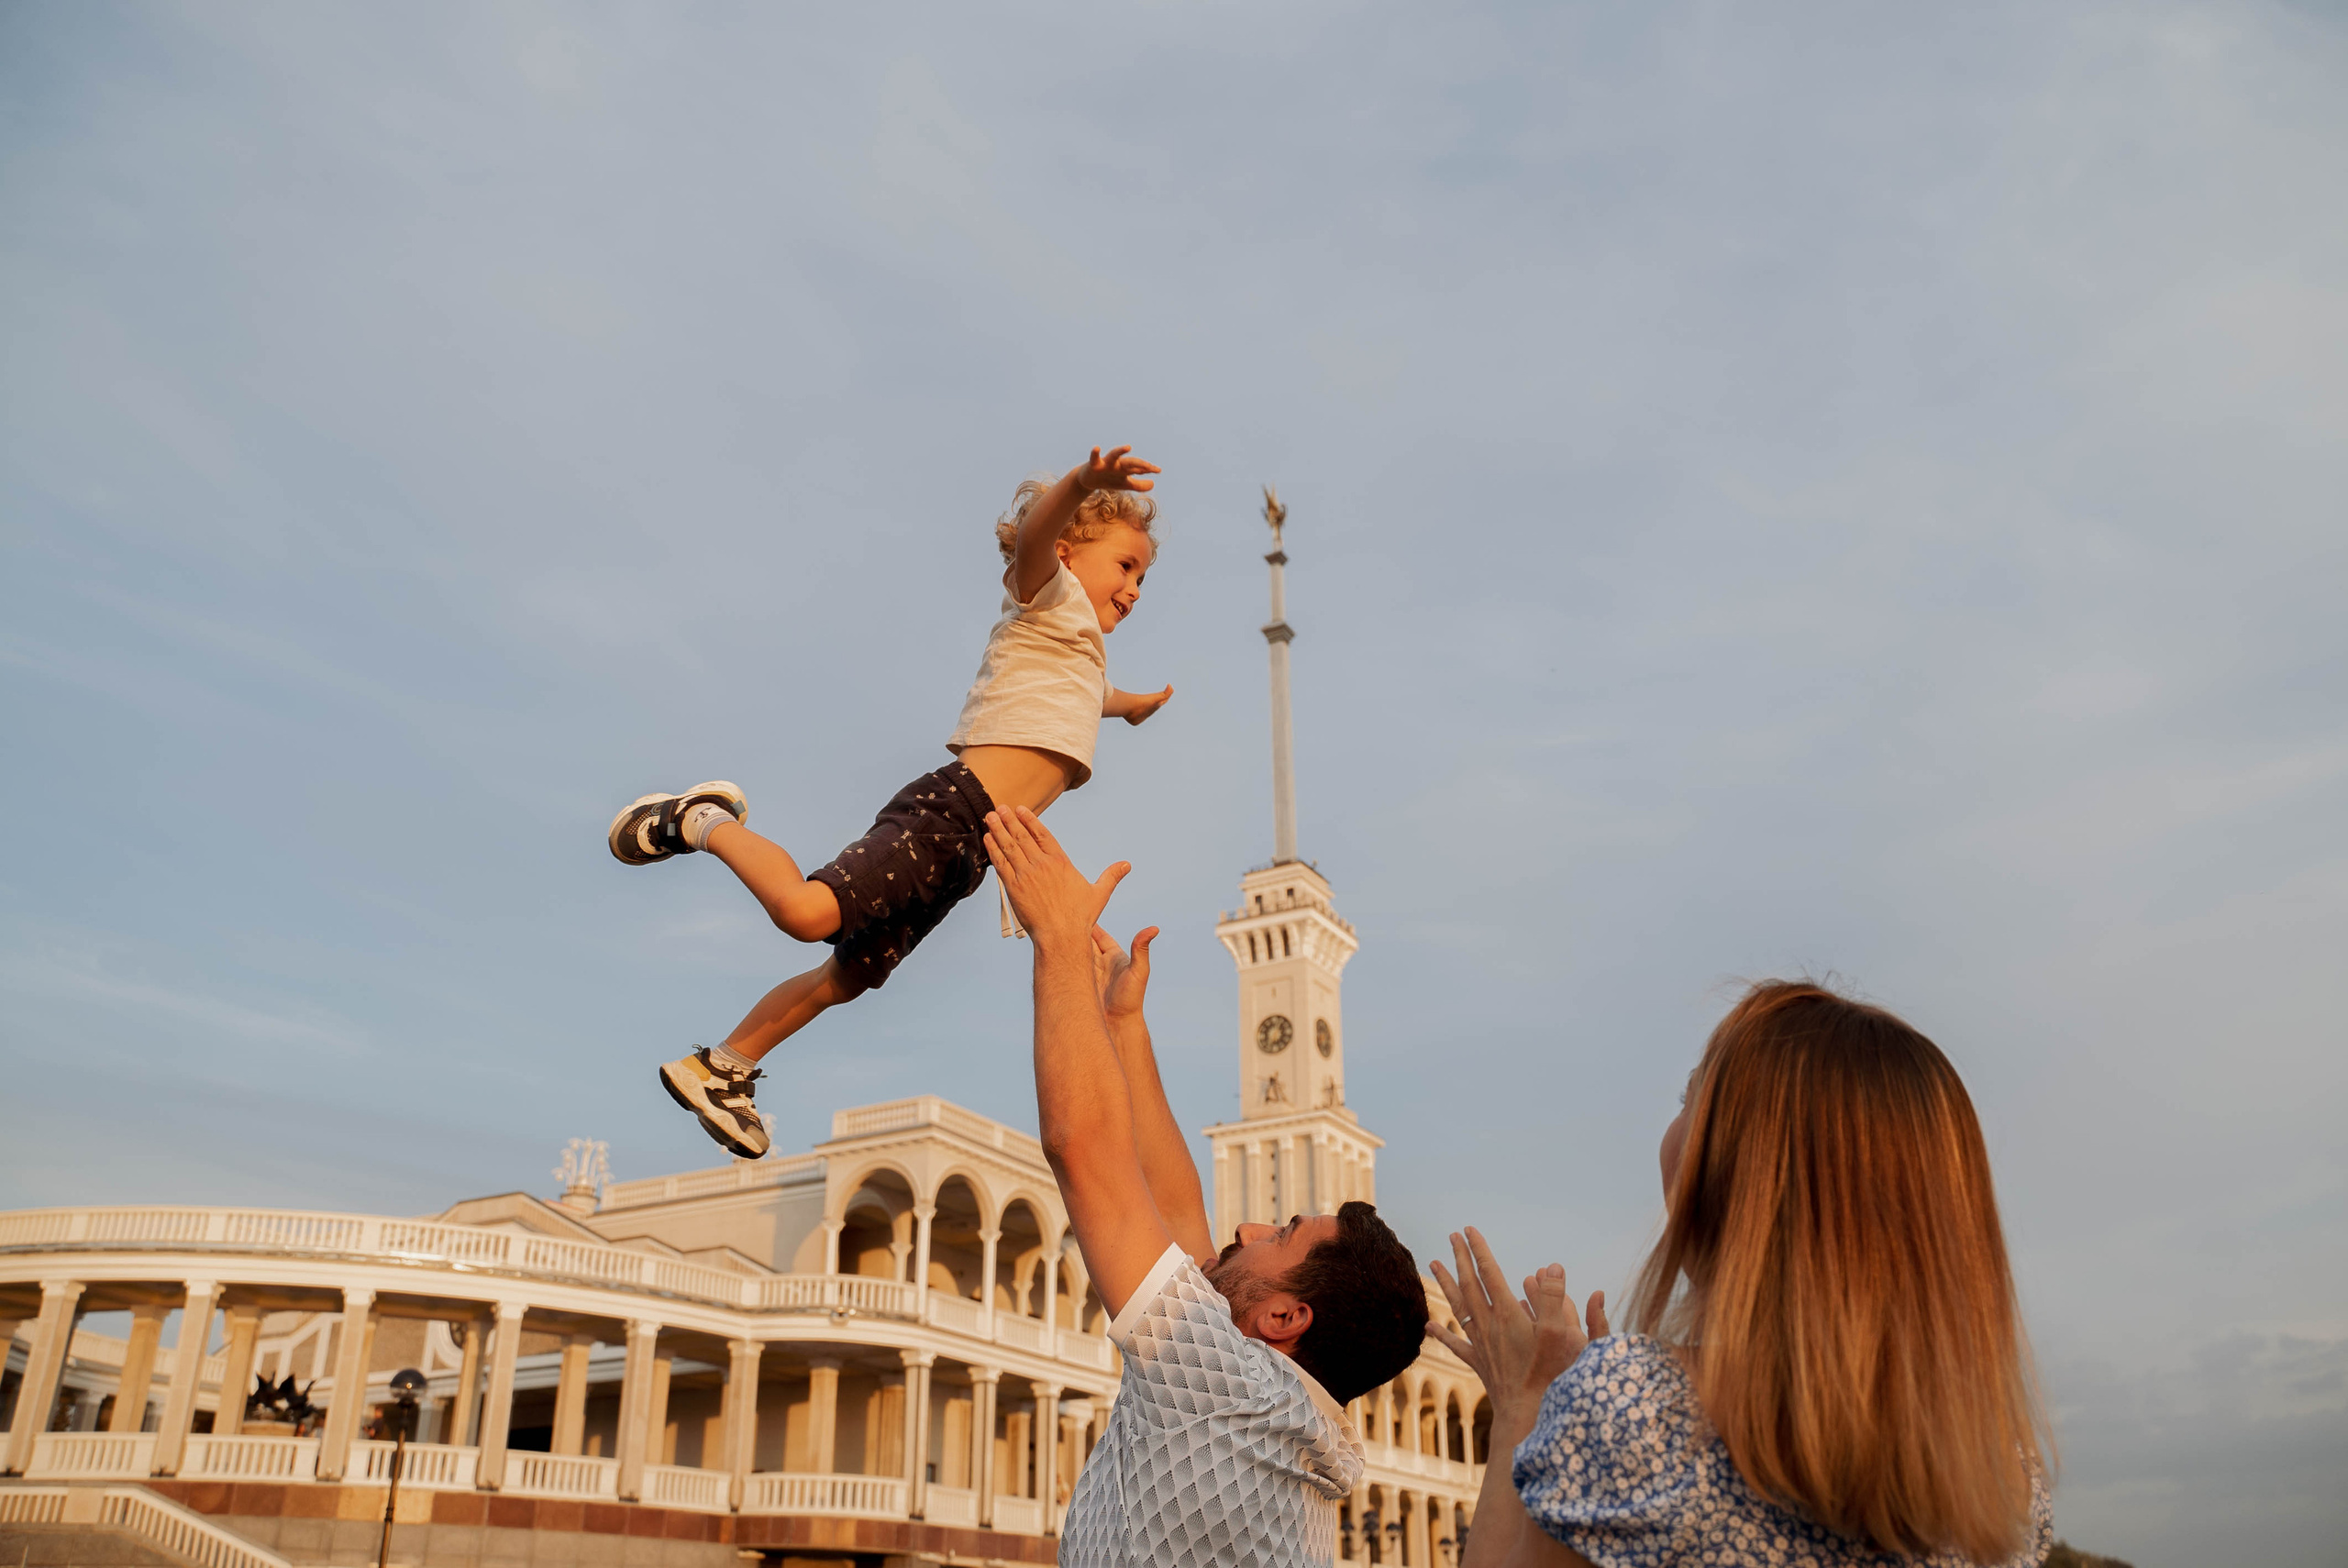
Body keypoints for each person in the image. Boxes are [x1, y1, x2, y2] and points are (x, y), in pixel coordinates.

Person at [606, 447, 1176, 1158]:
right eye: (1126, 566)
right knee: (807, 914)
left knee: (849, 976)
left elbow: (1095, 696)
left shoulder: (1083, 659)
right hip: (950, 812)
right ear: (1067, 553)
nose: (1136, 588)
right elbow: (1034, 538)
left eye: (1144, 577)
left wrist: (1135, 707)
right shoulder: (1045, 594)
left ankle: (723, 1068)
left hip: (971, 855)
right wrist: (1084, 484)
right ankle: (699, 820)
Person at [1434, 982, 2054, 1568]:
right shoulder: (2009, 1482)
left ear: (1723, 1167)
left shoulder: (1631, 1413)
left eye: (1689, 1101)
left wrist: (1528, 1404)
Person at [982, 803, 1432, 1568]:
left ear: (1287, 1315)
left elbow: (1084, 1151)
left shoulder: (1231, 1389)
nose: (1249, 1229)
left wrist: (1057, 939)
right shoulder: (1286, 1416)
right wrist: (1122, 1026)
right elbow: (1177, 1206)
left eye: (1284, 1236)